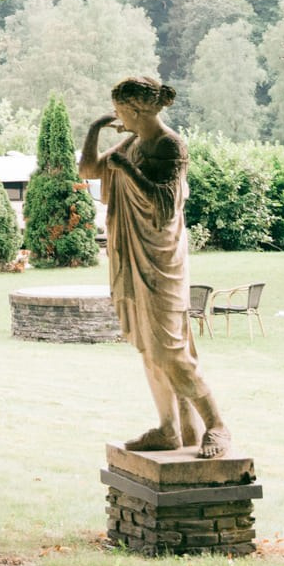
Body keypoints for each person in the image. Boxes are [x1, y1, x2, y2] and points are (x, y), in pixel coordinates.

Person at [80, 75, 234, 458]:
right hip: (133, 255)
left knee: (171, 349)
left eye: (118, 112)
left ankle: (216, 425)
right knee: (149, 349)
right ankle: (170, 429)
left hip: (161, 259)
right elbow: (89, 171)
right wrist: (95, 129)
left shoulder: (170, 146)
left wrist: (127, 170)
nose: (117, 118)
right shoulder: (132, 142)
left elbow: (164, 206)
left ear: (135, 110)